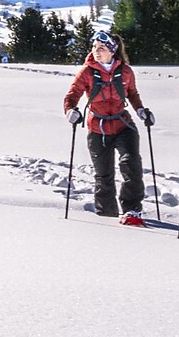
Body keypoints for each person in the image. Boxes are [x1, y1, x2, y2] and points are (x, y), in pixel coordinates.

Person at [62, 29, 155, 225]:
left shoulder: (125, 71)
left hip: (123, 125)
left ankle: (132, 210)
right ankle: (107, 216)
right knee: (104, 175)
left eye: (102, 48)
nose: (96, 51)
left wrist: (141, 111)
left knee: (131, 165)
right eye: (94, 47)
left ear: (112, 50)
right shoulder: (87, 72)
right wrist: (70, 111)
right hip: (98, 128)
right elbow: (72, 95)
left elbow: (132, 93)